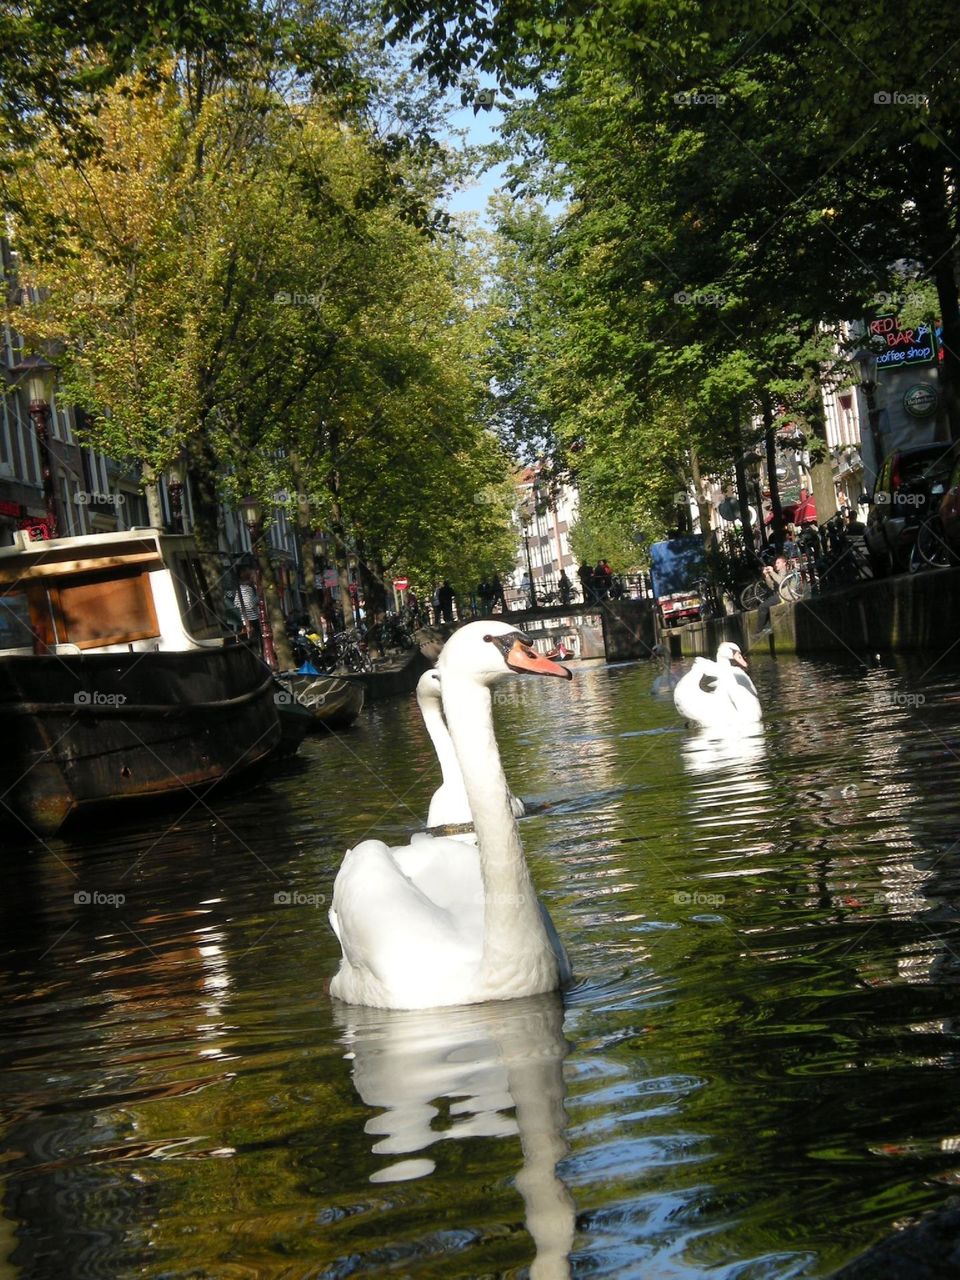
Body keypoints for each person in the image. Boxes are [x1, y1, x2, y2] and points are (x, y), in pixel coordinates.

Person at [752, 554, 789, 638]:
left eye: (778, 563)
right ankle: (767, 628)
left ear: (784, 563)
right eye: (776, 563)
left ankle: (760, 630)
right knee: (765, 605)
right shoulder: (778, 573)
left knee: (762, 606)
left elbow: (782, 583)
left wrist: (772, 572)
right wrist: (767, 576)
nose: (776, 565)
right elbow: (772, 587)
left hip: (784, 596)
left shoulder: (786, 572)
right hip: (779, 595)